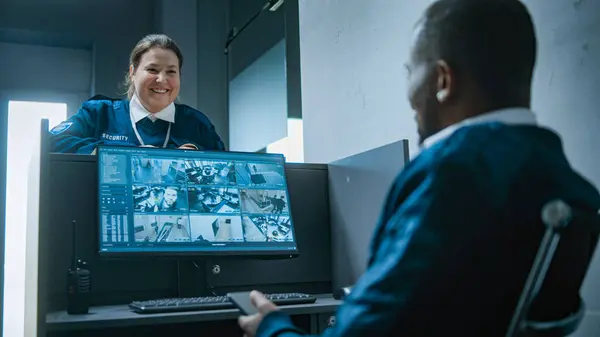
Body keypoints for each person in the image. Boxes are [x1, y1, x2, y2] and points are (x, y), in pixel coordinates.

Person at [237, 0, 600, 336]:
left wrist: (274, 327)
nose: (410, 93)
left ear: (442, 81)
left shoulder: (451, 173)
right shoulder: (570, 187)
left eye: (411, 71)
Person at [49, 34, 225, 154]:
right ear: (132, 72)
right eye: (152, 69)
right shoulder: (99, 113)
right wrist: (121, 152)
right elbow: (53, 142)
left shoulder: (197, 123)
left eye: (171, 72)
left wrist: (198, 158)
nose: (162, 79)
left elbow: (229, 170)